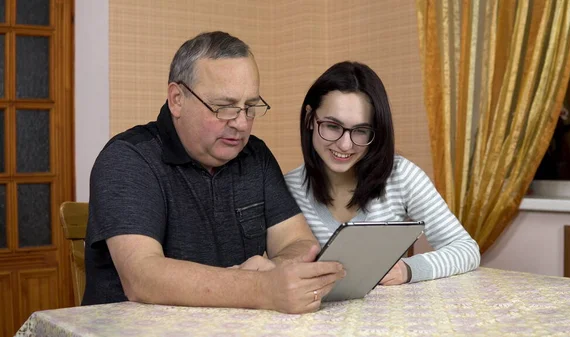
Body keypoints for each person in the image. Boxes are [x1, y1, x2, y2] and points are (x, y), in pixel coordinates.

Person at [82, 31, 345, 314]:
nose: (242, 124)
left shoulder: (255, 156)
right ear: (177, 99)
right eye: (224, 107)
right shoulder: (129, 157)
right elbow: (142, 278)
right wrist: (260, 286)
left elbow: (300, 243)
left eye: (250, 107)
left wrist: (275, 267)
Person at [285, 61, 480, 285]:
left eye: (361, 131)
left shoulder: (401, 176)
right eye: (332, 126)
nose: (346, 145)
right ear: (310, 118)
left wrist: (408, 269)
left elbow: (466, 249)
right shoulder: (286, 189)